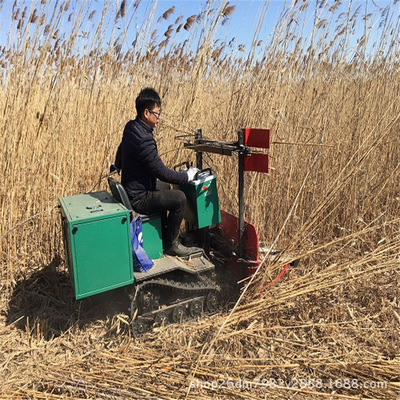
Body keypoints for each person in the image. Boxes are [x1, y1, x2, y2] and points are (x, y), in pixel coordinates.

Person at [114, 87, 197, 257]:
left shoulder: (131, 127)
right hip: (139, 198)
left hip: (133, 188)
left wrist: (118, 165)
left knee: (165, 187)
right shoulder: (144, 139)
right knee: (179, 199)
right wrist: (187, 176)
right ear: (146, 113)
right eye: (157, 113)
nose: (159, 118)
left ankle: (165, 233)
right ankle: (171, 245)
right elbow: (161, 172)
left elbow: (121, 149)